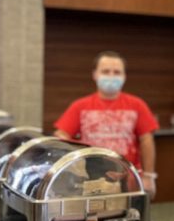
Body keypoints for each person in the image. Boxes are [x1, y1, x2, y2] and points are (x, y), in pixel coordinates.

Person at [54, 51, 159, 196]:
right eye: (105, 71)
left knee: (131, 217)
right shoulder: (80, 106)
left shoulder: (137, 105)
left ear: (124, 76)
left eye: (117, 72)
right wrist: (73, 168)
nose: (111, 76)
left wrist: (149, 176)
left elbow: (147, 140)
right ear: (95, 74)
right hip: (90, 178)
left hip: (127, 178)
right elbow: (61, 136)